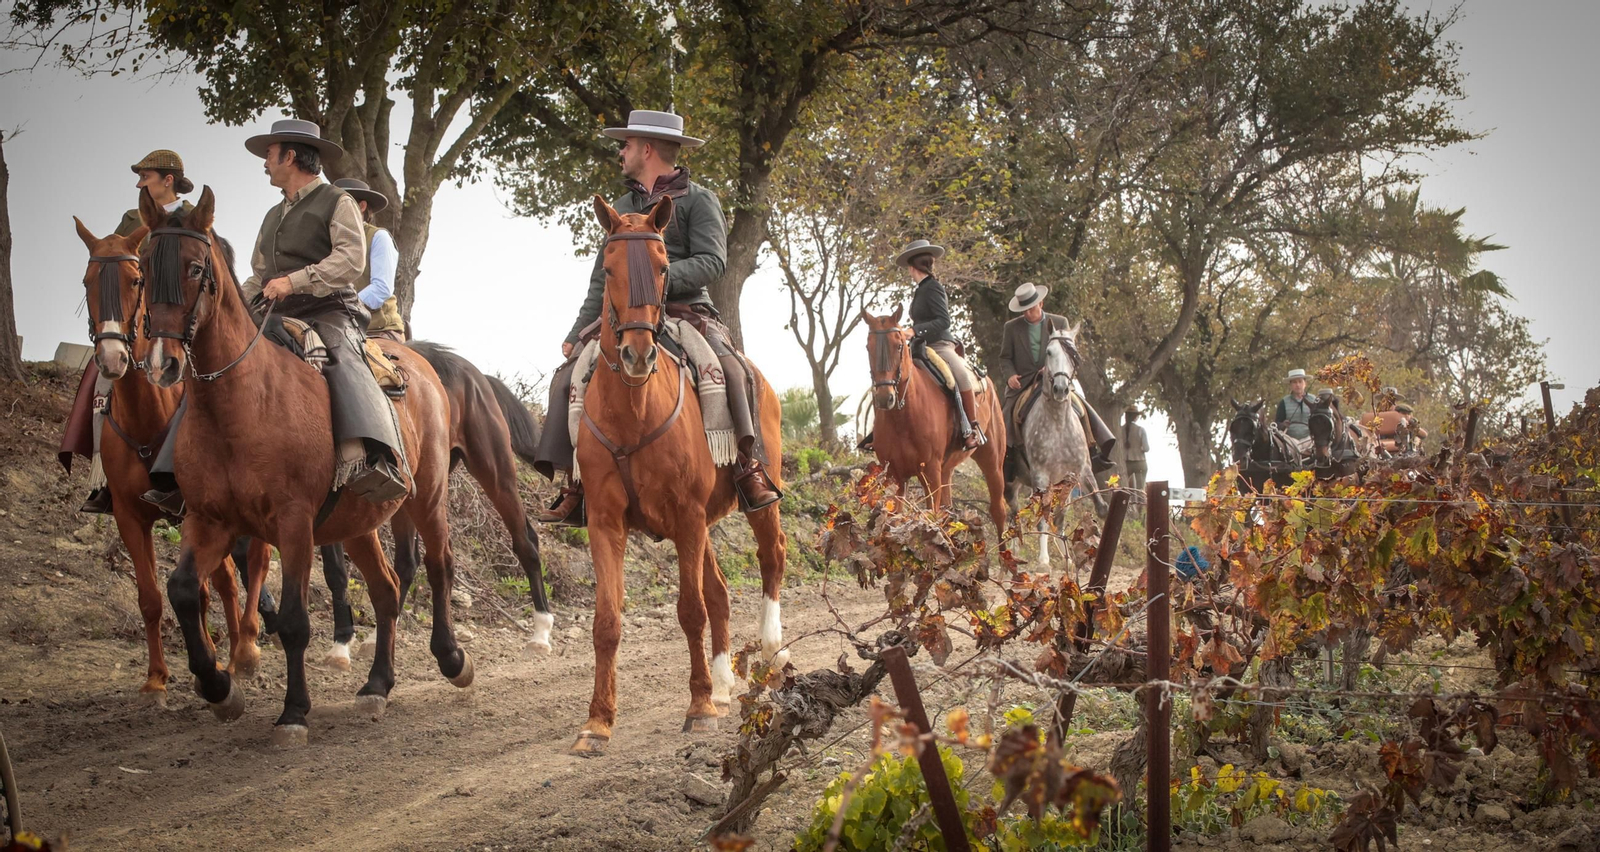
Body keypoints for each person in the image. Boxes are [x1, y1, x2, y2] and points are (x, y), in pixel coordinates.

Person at [141, 119, 408, 516]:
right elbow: (258, 273)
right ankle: (173, 473)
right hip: (275, 312)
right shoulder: (272, 215)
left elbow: (351, 260)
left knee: (342, 357)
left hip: (330, 310)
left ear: (290, 156)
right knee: (215, 365)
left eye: (269, 154)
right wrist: (239, 303)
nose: (264, 162)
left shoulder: (338, 201)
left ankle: (371, 458)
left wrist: (295, 281)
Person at [535, 109, 779, 525]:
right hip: (626, 314)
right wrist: (579, 330)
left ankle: (746, 466)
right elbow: (602, 280)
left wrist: (656, 281)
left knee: (733, 370)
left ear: (646, 149)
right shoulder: (621, 207)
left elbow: (713, 261)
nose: (621, 152)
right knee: (568, 376)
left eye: (625, 145)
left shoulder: (700, 200)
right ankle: (575, 484)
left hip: (687, 311)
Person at [64, 150, 196, 514]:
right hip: (136, 319)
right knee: (99, 381)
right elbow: (116, 263)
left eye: (146, 176)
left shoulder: (190, 218)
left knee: (209, 383)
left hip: (178, 320)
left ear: (167, 180)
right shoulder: (130, 218)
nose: (139, 184)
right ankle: (104, 479)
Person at [996, 281, 1116, 476]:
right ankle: (1007, 459)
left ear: (1041, 304)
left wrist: (1052, 368)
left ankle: (1093, 450)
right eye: (1024, 310)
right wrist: (1010, 376)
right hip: (1024, 382)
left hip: (1055, 378)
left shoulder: (1060, 322)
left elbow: (1069, 353)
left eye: (1031, 308)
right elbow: (1005, 357)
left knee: (1081, 408)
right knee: (1007, 415)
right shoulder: (1011, 327)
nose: (1028, 313)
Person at [893, 239, 986, 450]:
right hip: (919, 346)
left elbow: (944, 321)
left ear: (913, 266)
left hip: (940, 345)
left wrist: (915, 330)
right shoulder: (920, 290)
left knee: (961, 376)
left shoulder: (933, 287)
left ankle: (971, 428)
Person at [332, 178, 405, 343]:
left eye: (339, 205)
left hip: (378, 331)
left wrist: (340, 307)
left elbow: (381, 288)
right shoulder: (326, 241)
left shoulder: (378, 237)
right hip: (340, 329)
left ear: (361, 206)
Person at [1273, 368, 1314, 456]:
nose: (1298, 385)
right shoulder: (1284, 402)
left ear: (1305, 383)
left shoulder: (1314, 400)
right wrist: (1283, 425)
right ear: (1290, 385)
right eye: (1294, 382)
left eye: (1300, 381)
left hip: (1310, 439)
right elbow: (1276, 424)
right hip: (1290, 441)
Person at [1123, 405, 1150, 490]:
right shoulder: (1140, 430)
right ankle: (1140, 503)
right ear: (1135, 417)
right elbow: (1146, 448)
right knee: (1140, 489)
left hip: (1126, 463)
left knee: (1126, 488)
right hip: (1139, 462)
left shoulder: (1120, 429)